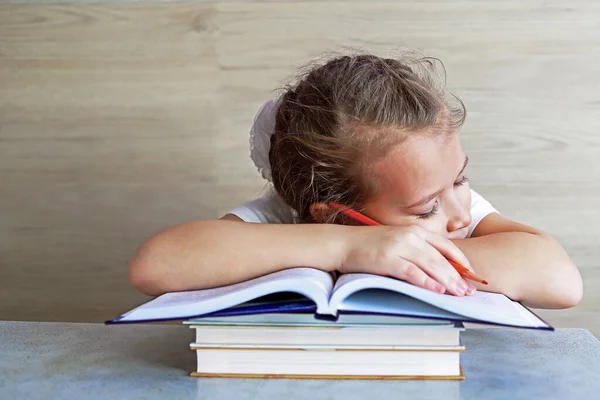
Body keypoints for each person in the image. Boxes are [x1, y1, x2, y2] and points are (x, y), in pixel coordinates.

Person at [128, 53, 582, 309]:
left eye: (462, 180)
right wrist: (347, 247)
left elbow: (561, 282)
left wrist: (412, 245)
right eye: (426, 210)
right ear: (335, 214)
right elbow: (155, 265)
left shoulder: (448, 199)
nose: (459, 212)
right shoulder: (281, 214)